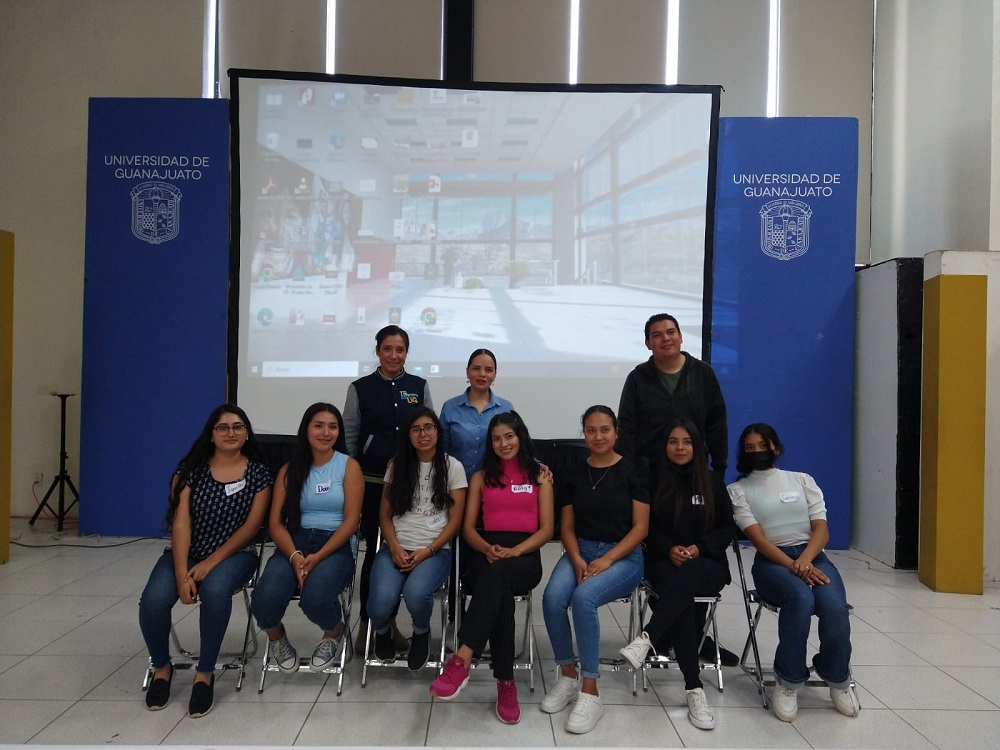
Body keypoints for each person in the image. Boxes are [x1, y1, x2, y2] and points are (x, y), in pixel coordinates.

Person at [616, 312, 735, 666]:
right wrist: (631, 477)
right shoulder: (638, 378)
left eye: (671, 332)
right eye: (657, 334)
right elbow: (628, 427)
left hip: (696, 477)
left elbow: (717, 421)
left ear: (681, 337)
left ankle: (663, 636)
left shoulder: (702, 375)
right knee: (662, 551)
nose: (665, 339)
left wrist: (719, 469)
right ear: (647, 342)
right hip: (651, 479)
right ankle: (691, 641)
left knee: (691, 558)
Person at [139, 404, 273, 717]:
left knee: (214, 592)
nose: (231, 433)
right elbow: (181, 524)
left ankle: (205, 673)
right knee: (153, 601)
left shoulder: (259, 473)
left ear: (247, 433)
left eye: (238, 427)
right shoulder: (189, 472)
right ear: (211, 435)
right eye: (223, 427)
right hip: (186, 553)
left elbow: (251, 528)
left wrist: (209, 564)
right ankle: (161, 668)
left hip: (235, 555)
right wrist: (183, 571)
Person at [727, 422, 860, 722]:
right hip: (773, 562)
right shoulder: (738, 490)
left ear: (776, 448)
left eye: (763, 446)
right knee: (801, 600)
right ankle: (788, 681)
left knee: (835, 608)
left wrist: (806, 560)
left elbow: (821, 529)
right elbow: (758, 540)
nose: (757, 452)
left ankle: (836, 676)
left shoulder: (801, 480)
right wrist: (793, 566)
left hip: (813, 556)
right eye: (750, 448)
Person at [429, 411, 555, 725]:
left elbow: (547, 529)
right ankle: (506, 684)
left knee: (498, 579)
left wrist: (515, 551)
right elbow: (468, 527)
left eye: (509, 436)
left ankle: (462, 659)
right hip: (483, 553)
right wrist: (487, 548)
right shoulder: (480, 477)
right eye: (496, 438)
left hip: (525, 556)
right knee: (498, 592)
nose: (503, 443)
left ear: (521, 437)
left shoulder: (540, 475)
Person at [618, 419, 735, 731]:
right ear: (665, 446)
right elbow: (645, 527)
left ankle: (648, 638)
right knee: (678, 595)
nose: (679, 448)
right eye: (673, 441)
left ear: (696, 446)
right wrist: (668, 548)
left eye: (686, 442)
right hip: (663, 561)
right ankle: (694, 689)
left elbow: (727, 528)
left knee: (688, 577)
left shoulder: (711, 482)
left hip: (706, 564)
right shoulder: (654, 481)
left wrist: (699, 548)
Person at [540, 405, 650, 735]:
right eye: (590, 430)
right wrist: (576, 558)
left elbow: (640, 529)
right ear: (583, 434)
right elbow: (568, 527)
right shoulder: (574, 471)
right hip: (582, 550)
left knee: (583, 598)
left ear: (615, 433)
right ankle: (568, 676)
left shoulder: (635, 470)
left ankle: (591, 691)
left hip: (625, 558)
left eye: (604, 429)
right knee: (552, 598)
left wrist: (608, 559)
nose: (598, 436)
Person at [251, 403, 363, 677]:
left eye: (333, 427)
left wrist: (318, 556)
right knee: (263, 599)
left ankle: (334, 632)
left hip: (334, 545)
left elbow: (351, 522)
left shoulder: (348, 466)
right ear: (306, 430)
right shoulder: (290, 470)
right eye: (319, 425)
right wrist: (294, 556)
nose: (326, 432)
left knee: (315, 598)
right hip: (294, 542)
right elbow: (275, 523)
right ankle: (277, 639)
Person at [344, 325, 433, 653]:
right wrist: (351, 474)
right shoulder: (360, 388)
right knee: (376, 553)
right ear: (378, 351)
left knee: (406, 547)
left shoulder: (418, 387)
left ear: (406, 353)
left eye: (400, 350)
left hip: (409, 486)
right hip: (369, 483)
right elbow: (350, 433)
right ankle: (372, 625)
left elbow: (428, 429)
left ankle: (400, 623)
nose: (394, 355)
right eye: (387, 349)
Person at [366, 407, 467, 670]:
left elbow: (455, 521)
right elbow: (384, 516)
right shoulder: (397, 465)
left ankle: (421, 633)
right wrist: (395, 547)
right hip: (396, 547)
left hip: (434, 550)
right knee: (379, 603)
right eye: (416, 429)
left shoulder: (453, 467)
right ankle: (383, 630)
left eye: (428, 428)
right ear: (408, 435)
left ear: (437, 432)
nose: (423, 434)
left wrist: (429, 550)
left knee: (416, 593)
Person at [440, 349, 514, 481]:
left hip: (494, 484)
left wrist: (537, 465)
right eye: (476, 368)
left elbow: (517, 447)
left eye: (488, 370)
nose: (482, 374)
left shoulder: (506, 407)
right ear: (467, 371)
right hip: (455, 483)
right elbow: (441, 450)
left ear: (495, 375)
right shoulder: (450, 407)